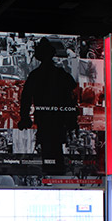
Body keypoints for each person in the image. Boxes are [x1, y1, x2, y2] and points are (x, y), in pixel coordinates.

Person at [18, 37, 78, 172]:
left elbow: (26, 99)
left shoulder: (36, 75)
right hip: (57, 121)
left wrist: (24, 118)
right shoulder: (60, 74)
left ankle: (52, 174)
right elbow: (71, 93)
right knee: (55, 153)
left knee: (50, 153)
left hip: (46, 121)